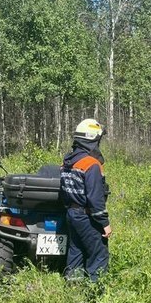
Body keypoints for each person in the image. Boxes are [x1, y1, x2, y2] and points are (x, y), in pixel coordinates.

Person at [60, 119, 112, 282]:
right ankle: (95, 295)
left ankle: (73, 291)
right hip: (87, 217)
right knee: (98, 255)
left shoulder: (68, 162)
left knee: (76, 252)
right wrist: (104, 223)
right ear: (93, 140)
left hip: (71, 214)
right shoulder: (91, 164)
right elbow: (95, 198)